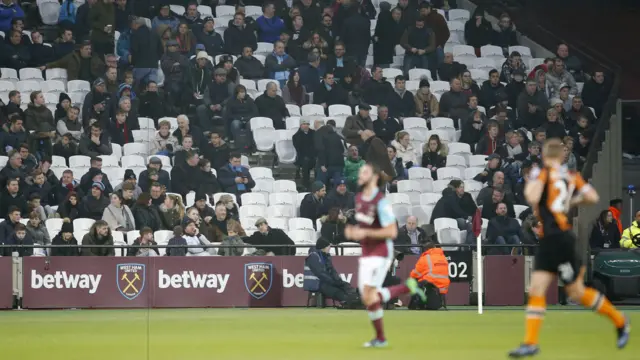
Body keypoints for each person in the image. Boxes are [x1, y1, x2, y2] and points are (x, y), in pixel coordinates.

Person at [508, 139, 630, 357]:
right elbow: (593, 196)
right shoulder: (570, 176)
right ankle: (530, 342)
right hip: (558, 238)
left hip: (557, 240)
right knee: (541, 288)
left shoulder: (543, 173)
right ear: (561, 156)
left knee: (573, 291)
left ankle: (620, 320)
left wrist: (535, 184)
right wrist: (571, 202)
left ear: (545, 156)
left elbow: (532, 196)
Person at [344, 163, 426, 347]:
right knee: (367, 297)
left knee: (370, 295)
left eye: (365, 172)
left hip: (381, 251)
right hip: (366, 252)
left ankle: (381, 338)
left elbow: (391, 231)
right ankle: (406, 288)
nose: (360, 174)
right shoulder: (358, 198)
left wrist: (363, 234)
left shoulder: (381, 202)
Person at [304, 237, 355, 303]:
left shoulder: (326, 256)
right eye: (328, 246)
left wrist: (338, 281)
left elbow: (332, 270)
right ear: (323, 247)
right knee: (336, 291)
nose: (330, 248)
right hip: (317, 283)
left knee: (344, 285)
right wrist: (333, 282)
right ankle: (348, 300)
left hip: (326, 281)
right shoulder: (313, 256)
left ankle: (355, 296)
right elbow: (320, 273)